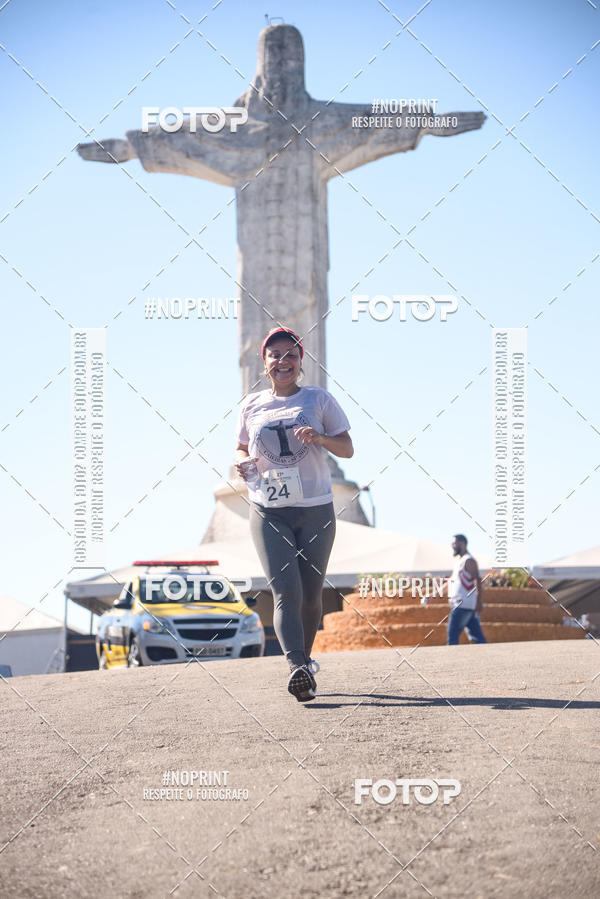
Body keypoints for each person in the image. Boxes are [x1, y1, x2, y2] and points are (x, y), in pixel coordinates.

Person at [234, 327, 353, 702]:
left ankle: (306, 659)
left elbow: (347, 449)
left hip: (315, 508)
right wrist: (243, 464)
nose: (282, 361)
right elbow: (239, 448)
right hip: (268, 509)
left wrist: (320, 439)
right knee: (285, 590)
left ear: (301, 361)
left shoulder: (319, 399)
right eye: (275, 355)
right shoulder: (251, 405)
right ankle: (297, 667)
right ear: (265, 362)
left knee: (311, 594)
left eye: (290, 355)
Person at [447, 534, 487, 645]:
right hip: (464, 605)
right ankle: (490, 658)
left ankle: (451, 661)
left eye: (454, 543)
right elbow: (451, 582)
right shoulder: (459, 561)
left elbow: (477, 580)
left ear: (462, 544)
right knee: (477, 636)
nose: (452, 546)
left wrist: (479, 601)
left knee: (452, 636)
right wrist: (433, 594)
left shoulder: (469, 560)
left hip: (462, 605)